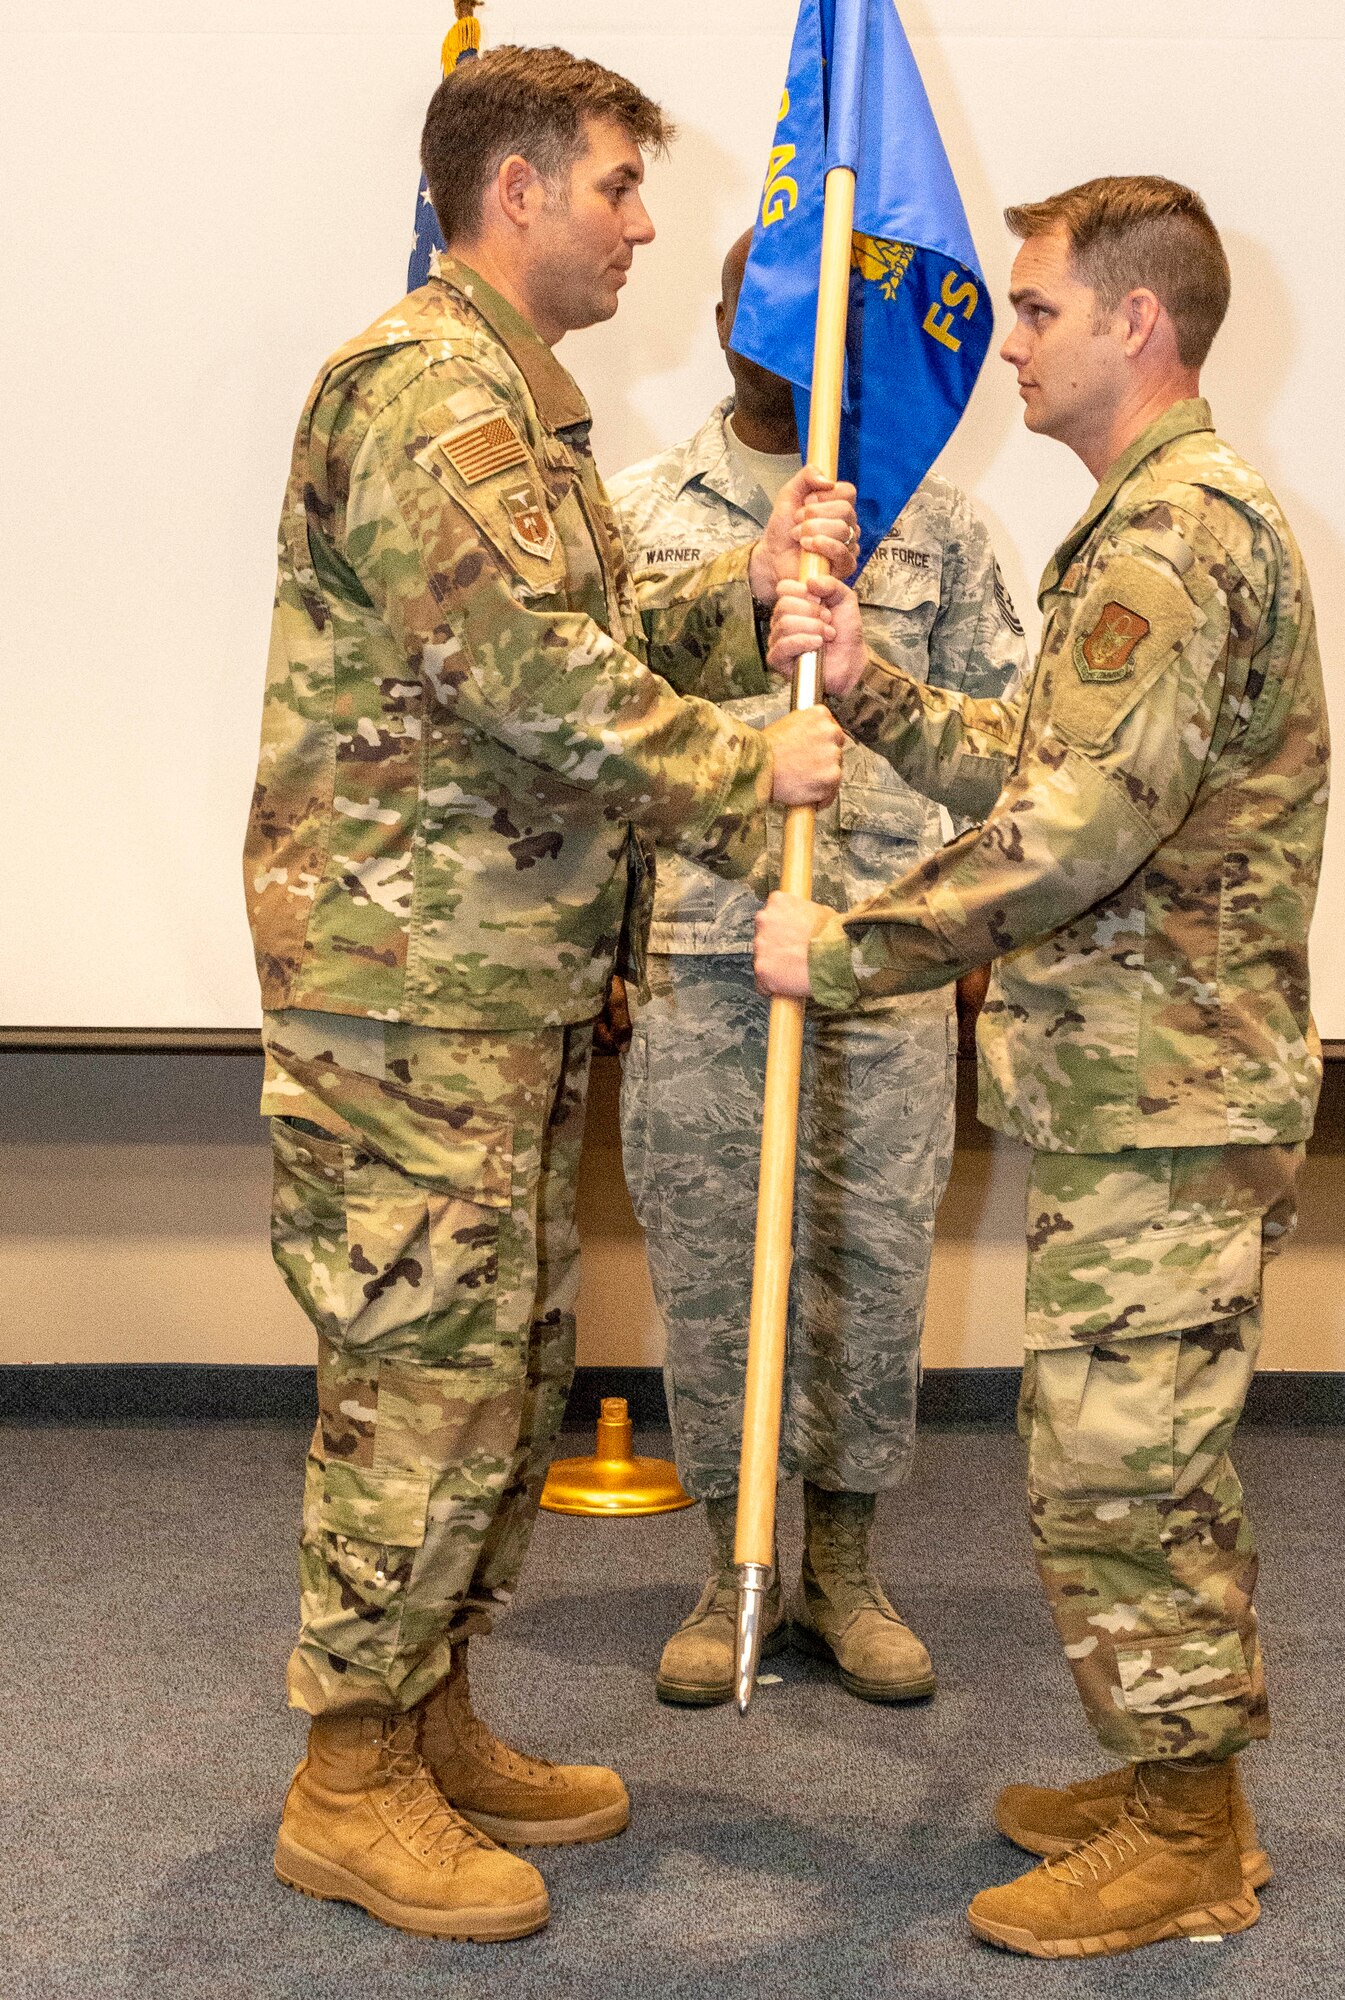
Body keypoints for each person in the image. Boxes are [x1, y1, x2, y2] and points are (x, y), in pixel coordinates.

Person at [243, 45, 857, 1942]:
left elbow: (581, 624)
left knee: (500, 1364)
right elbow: (530, 680)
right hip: (405, 981)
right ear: (515, 191)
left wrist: (737, 581)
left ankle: (424, 1716)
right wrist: (752, 757)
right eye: (613, 187)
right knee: (420, 1374)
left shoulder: (520, 407)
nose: (645, 225)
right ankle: (345, 1778)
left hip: (486, 977)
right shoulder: (428, 394)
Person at [754, 175, 1329, 1960]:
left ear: (1135, 325)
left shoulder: (1174, 538)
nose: (1008, 340)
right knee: (1110, 1451)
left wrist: (843, 948)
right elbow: (1040, 763)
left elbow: (1069, 836)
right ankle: (1167, 1783)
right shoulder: (1146, 522)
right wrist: (869, 686)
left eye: (1036, 309)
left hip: (1172, 1100)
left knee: (1127, 1464)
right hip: (1136, 1093)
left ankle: (1188, 1833)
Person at [605, 229, 1029, 1707]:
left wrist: (975, 942)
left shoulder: (941, 531)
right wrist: (608, 949)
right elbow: (590, 755)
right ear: (722, 320)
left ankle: (842, 1567)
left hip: (884, 974)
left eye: (819, 312)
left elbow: (1010, 756)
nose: (786, 333)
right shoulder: (642, 517)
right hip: (708, 963)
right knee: (715, 1281)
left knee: (869, 1273)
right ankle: (735, 1571)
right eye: (760, 305)